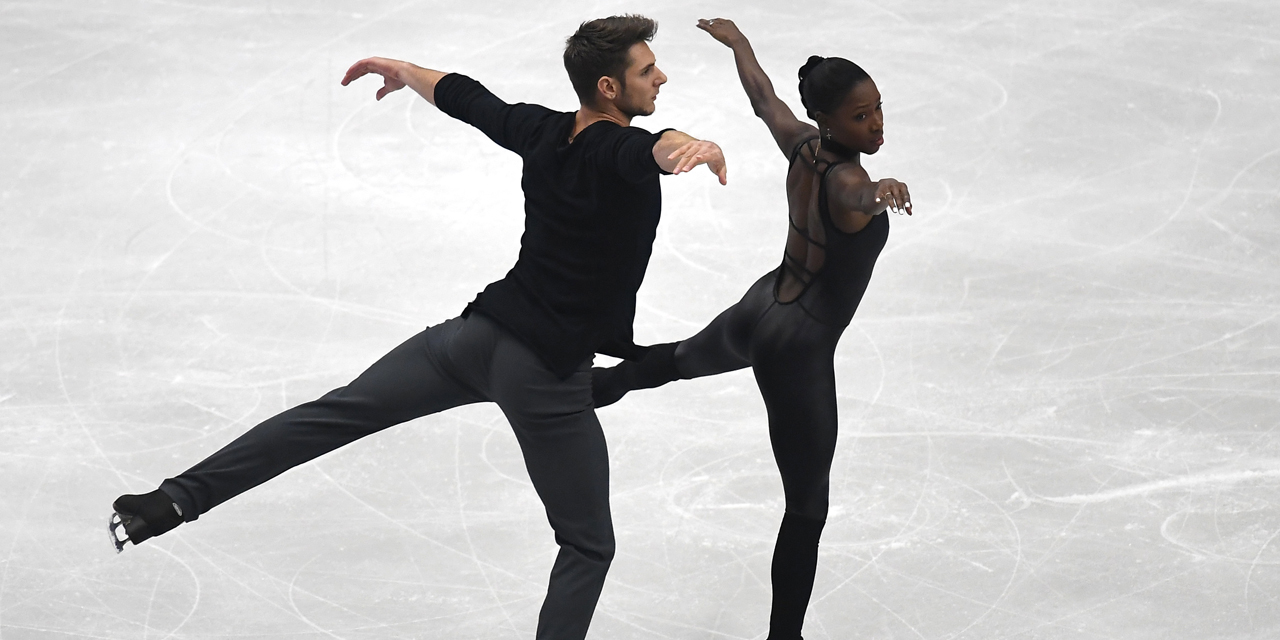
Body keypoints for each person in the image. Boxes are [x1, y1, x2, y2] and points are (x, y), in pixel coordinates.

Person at [108, 15, 727, 640]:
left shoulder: (543, 130)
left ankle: (174, 500)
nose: (661, 76)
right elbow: (647, 148)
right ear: (609, 88)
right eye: (648, 70)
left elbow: (469, 98)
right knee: (588, 547)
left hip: (475, 340)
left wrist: (405, 72)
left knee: (338, 411)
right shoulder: (617, 147)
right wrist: (686, 148)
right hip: (545, 372)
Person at [591, 18, 910, 640]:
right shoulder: (850, 179)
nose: (874, 125)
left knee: (680, 359)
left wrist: (740, 45)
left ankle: (586, 388)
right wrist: (882, 191)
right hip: (799, 343)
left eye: (877, 112)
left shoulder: (802, 143)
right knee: (807, 509)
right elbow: (857, 199)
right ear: (828, 120)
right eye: (859, 116)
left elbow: (765, 101)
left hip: (763, 305)